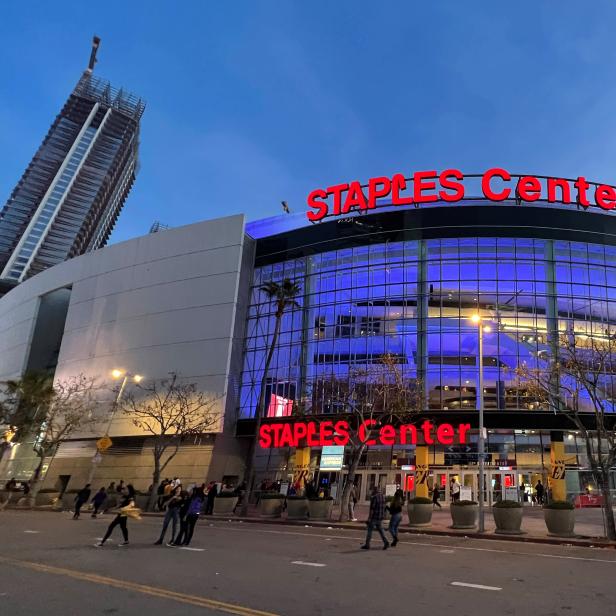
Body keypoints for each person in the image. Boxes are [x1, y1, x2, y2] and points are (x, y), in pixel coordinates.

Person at [360, 486, 389, 550]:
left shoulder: (374, 498)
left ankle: (367, 544)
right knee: (381, 530)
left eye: (373, 490)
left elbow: (372, 509)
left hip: (374, 517)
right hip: (380, 516)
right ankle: (386, 541)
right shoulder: (382, 496)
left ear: (375, 491)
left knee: (370, 530)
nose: (372, 492)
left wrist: (369, 518)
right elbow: (384, 506)